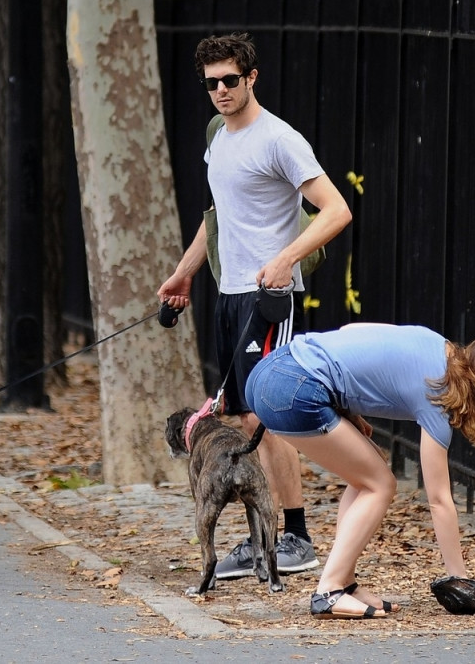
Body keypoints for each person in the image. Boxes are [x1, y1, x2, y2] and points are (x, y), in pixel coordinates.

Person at [157, 32, 353, 579]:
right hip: (229, 293)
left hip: (270, 299)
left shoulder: (279, 140)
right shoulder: (218, 137)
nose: (220, 90)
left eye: (230, 80)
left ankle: (296, 537)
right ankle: (265, 537)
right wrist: (184, 272)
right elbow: (218, 216)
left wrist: (286, 258)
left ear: (252, 79)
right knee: (243, 416)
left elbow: (336, 211)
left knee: (272, 415)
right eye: (211, 82)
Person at [243, 323, 475, 618]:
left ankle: (344, 582)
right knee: (379, 485)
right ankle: (328, 592)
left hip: (271, 370)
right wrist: (459, 578)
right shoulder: (437, 394)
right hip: (292, 389)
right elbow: (439, 500)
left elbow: (354, 331)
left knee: (365, 477)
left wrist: (344, 406)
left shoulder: (437, 345)